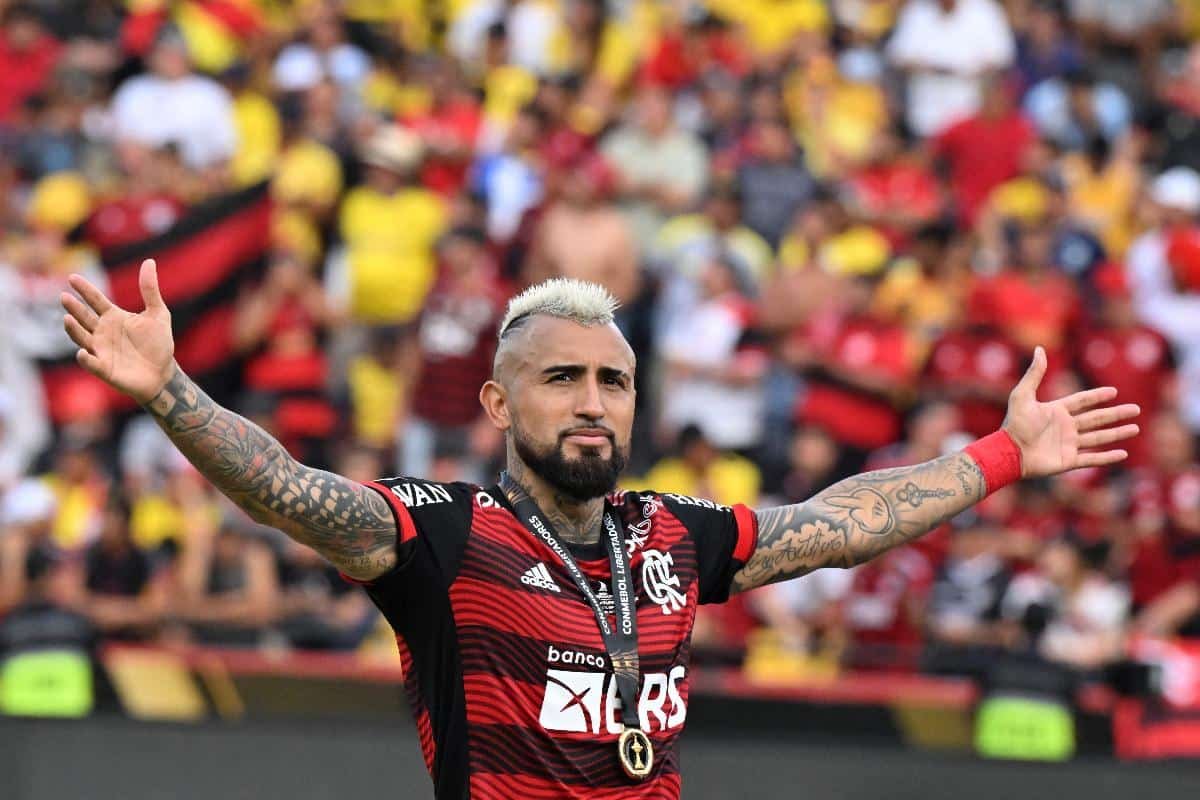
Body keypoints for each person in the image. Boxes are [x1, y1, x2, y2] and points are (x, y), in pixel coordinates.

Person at [60, 260, 1138, 797]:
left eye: (612, 380)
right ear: (495, 404)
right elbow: (286, 487)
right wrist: (171, 395)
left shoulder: (670, 533)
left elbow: (837, 524)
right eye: (562, 377)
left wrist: (1000, 455)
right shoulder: (443, 533)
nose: (591, 400)